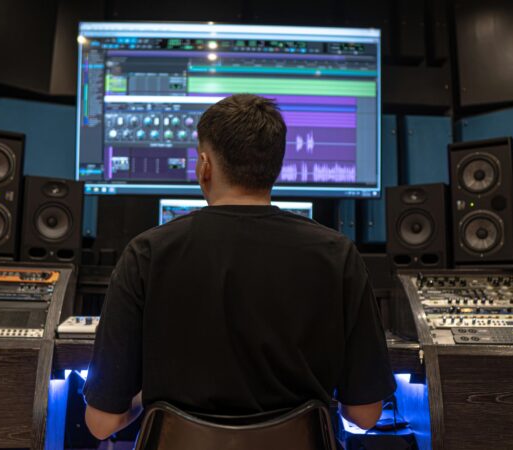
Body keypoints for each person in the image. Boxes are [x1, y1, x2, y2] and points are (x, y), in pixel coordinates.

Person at [83, 94, 396, 440]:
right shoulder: (338, 254)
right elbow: (365, 415)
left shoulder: (145, 253)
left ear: (204, 166)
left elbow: (102, 424)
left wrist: (151, 401)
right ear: (276, 167)